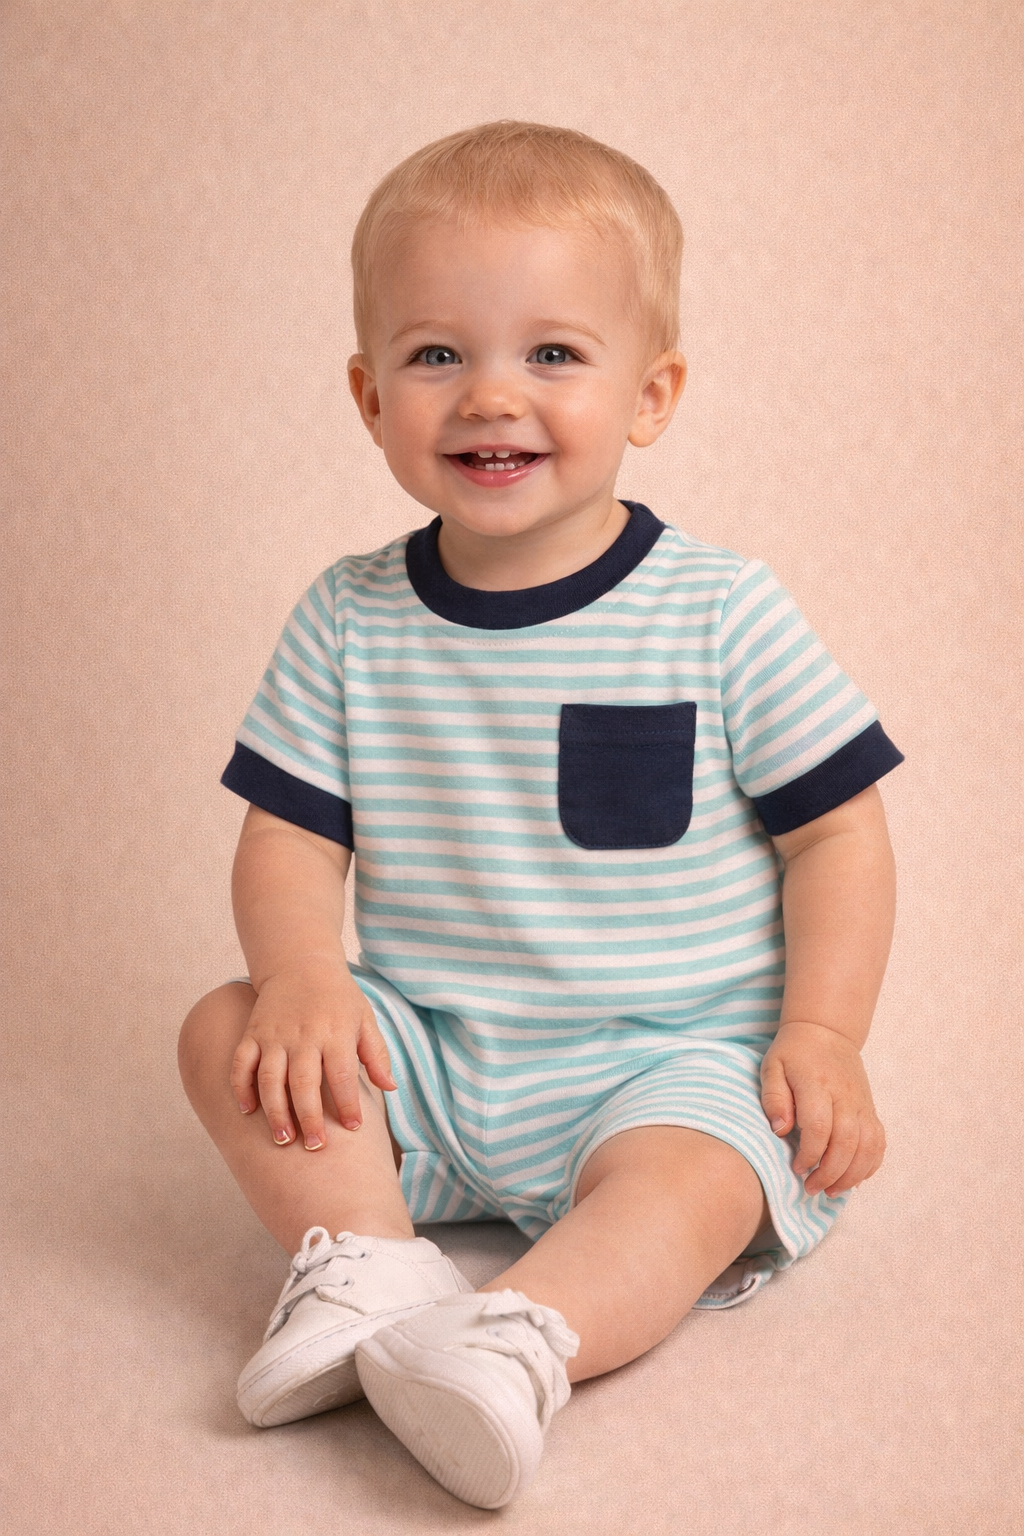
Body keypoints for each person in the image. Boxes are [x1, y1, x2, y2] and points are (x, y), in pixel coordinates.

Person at [178, 121, 902, 1510]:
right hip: (436, 1067)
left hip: (665, 1070)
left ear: (652, 393)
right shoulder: (348, 618)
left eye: (554, 354)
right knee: (229, 1027)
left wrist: (823, 1035)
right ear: (367, 396)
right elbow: (290, 838)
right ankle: (374, 1267)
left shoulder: (719, 610)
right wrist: (307, 975)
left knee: (703, 1176)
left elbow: (838, 833)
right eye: (436, 355)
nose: (490, 396)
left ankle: (517, 1340)